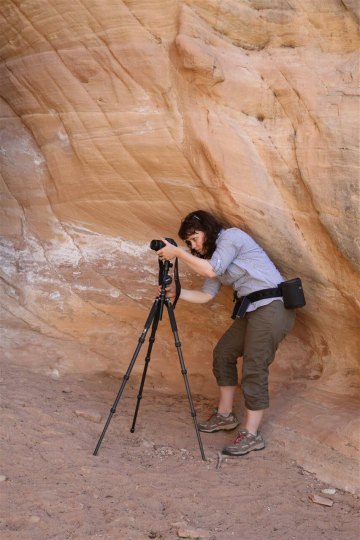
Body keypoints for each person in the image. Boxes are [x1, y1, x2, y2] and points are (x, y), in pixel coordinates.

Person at [156, 209, 295, 456]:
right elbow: (206, 294)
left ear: (207, 229)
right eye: (188, 243)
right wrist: (177, 293)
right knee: (223, 354)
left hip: (273, 306)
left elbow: (211, 270)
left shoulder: (231, 237)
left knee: (254, 365)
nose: (193, 245)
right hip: (252, 309)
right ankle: (225, 416)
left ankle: (251, 435)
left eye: (194, 238)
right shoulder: (215, 257)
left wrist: (177, 252)